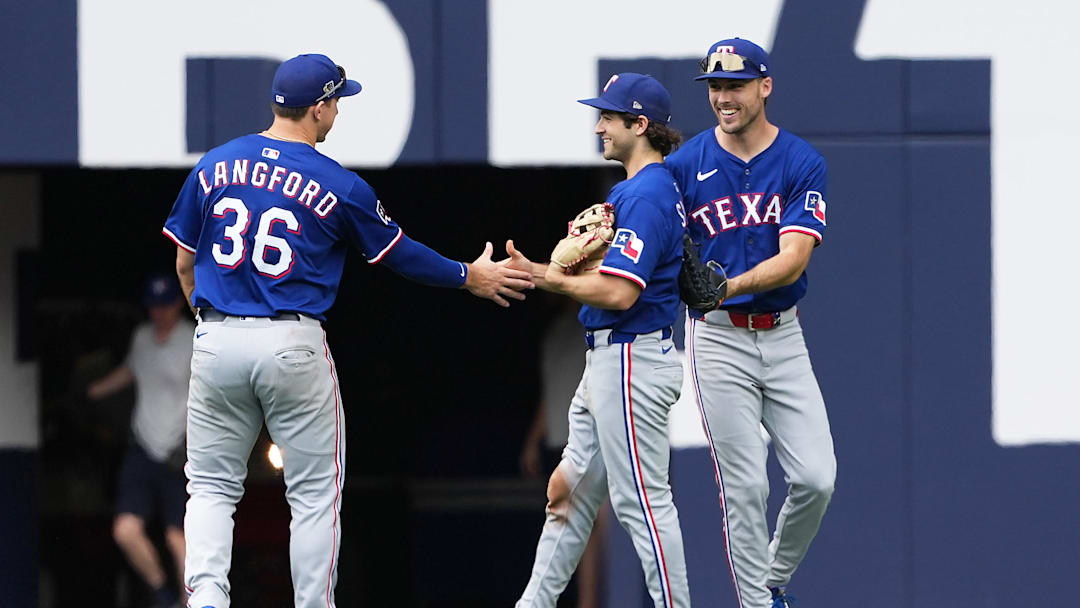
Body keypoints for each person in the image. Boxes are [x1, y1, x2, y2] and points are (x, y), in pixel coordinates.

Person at [161, 53, 533, 608]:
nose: (337, 112)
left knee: (211, 487)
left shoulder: (214, 164)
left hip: (216, 335)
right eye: (336, 101)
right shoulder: (338, 182)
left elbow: (185, 263)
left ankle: (207, 600)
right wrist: (467, 276)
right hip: (291, 340)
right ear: (318, 108)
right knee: (312, 496)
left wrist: (209, 325)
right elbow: (397, 253)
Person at [505, 72, 690, 608]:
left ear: (640, 125)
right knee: (567, 493)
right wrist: (545, 273)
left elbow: (621, 292)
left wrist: (554, 278)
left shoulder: (648, 193)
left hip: (631, 357)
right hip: (611, 360)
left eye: (609, 117)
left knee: (644, 506)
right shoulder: (638, 191)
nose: (599, 126)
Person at [664, 38, 837, 608]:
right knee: (745, 488)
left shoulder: (800, 161)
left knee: (816, 478)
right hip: (718, 341)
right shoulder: (684, 165)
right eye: (715, 87)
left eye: (735, 84)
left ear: (765, 86)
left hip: (783, 332)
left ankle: (772, 580)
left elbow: (794, 257)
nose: (723, 97)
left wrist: (729, 285)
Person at [87, 273, 193, 608]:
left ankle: (191, 602)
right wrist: (93, 391)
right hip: (142, 448)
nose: (158, 313)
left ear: (177, 303)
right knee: (125, 531)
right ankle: (163, 595)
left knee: (178, 538)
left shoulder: (194, 338)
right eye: (153, 307)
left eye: (164, 306)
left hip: (179, 451)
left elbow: (214, 395)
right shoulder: (142, 336)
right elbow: (132, 370)